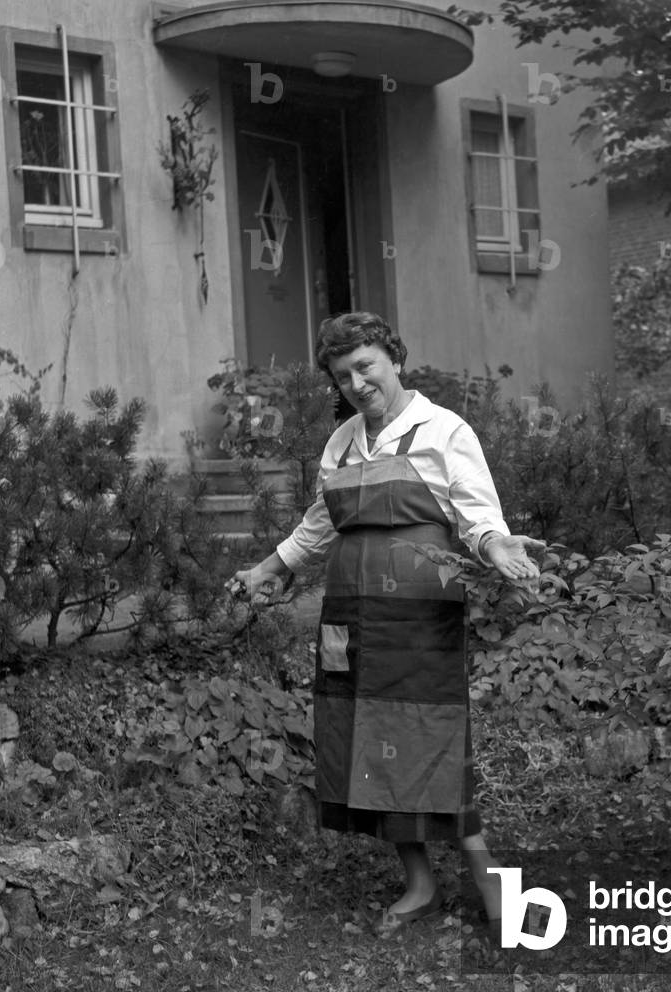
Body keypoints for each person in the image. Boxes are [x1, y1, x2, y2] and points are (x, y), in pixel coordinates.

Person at [227, 311, 543, 935]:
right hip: (348, 613)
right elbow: (319, 525)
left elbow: (476, 512)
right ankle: (420, 883)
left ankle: (493, 883)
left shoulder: (444, 430)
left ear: (394, 360)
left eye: (365, 366)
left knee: (435, 739)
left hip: (420, 612)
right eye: (344, 375)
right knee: (364, 743)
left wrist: (497, 546)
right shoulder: (342, 442)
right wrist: (269, 569)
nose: (357, 381)